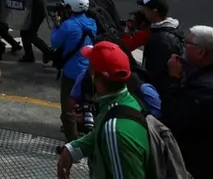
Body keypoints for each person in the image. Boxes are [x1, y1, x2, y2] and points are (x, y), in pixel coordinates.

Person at [57, 41, 150, 179]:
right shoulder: (124, 101)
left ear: (94, 74)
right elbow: (98, 132)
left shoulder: (114, 131)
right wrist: (71, 150)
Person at [160, 25, 213, 179]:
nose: (183, 47)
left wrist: (173, 78)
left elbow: (171, 119)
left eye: (187, 44)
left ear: (201, 52)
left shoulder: (205, 89)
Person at [50, 0, 97, 144]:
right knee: (85, 103)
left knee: (67, 110)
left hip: (72, 72)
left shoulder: (68, 25)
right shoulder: (92, 23)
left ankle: (72, 143)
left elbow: (55, 42)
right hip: (89, 70)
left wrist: (56, 25)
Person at [136, 0, 184, 95]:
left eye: (145, 9)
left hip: (161, 91)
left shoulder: (160, 39)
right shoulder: (172, 28)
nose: (142, 12)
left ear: (154, 11)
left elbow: (157, 71)